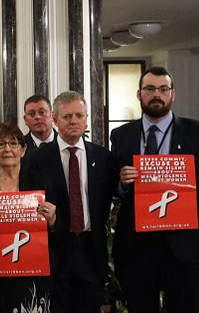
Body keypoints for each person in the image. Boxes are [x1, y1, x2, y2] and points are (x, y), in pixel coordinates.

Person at [110, 66, 199, 313]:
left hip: (186, 246)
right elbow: (109, 185)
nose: (156, 94)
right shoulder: (121, 135)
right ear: (139, 94)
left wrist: (188, 213)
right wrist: (121, 183)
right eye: (150, 89)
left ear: (173, 94)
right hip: (136, 249)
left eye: (163, 89)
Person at [30, 91, 118, 313]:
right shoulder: (36, 159)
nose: (74, 121)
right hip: (54, 247)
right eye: (67, 116)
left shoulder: (103, 157)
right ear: (55, 120)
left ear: (87, 119)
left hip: (91, 248)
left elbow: (112, 195)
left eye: (79, 115)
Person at [0, 122, 56, 312]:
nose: (7, 149)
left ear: (23, 150)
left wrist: (52, 219)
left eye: (14, 143)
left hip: (33, 271)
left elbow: (57, 225)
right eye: (1, 144)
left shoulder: (40, 181)